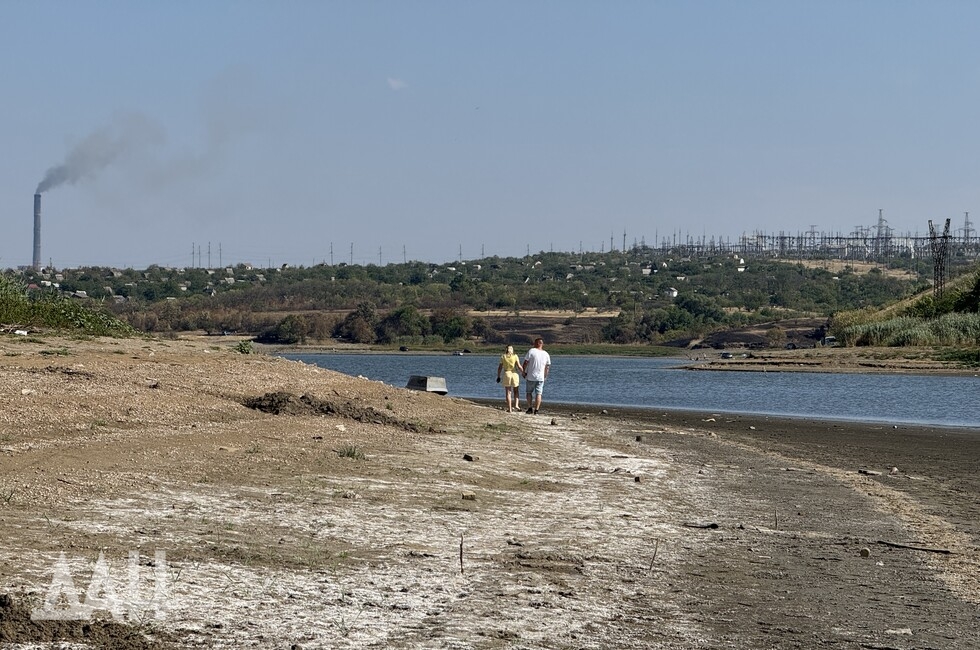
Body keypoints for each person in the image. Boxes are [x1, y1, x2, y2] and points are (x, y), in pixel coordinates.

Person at [522, 337, 551, 414]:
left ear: (538, 343)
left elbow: (525, 362)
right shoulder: (546, 354)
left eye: (535, 343)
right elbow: (547, 367)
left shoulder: (532, 351)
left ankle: (530, 408)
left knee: (529, 392)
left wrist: (523, 371)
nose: (533, 344)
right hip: (540, 377)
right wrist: (545, 376)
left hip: (531, 376)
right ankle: (536, 410)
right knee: (539, 393)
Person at [496, 345, 524, 413]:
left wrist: (498, 376)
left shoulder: (503, 356)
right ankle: (516, 405)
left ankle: (510, 409)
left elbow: (500, 367)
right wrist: (524, 373)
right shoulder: (515, 356)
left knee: (508, 392)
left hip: (507, 374)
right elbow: (519, 366)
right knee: (516, 391)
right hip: (514, 374)